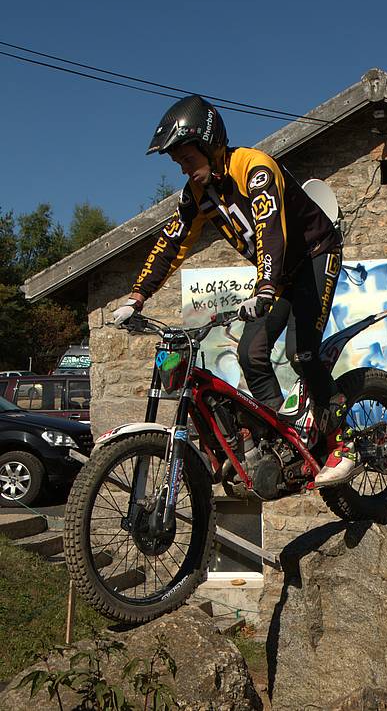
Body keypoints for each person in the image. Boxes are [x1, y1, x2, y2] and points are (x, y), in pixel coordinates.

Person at [113, 94, 356, 486]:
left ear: (210, 145)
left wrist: (265, 287)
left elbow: (270, 229)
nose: (184, 170)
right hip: (278, 276)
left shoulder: (254, 168)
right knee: (250, 353)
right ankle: (289, 438)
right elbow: (172, 242)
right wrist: (137, 296)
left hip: (315, 254)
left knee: (301, 351)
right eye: (178, 164)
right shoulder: (197, 194)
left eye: (187, 159)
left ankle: (345, 444)